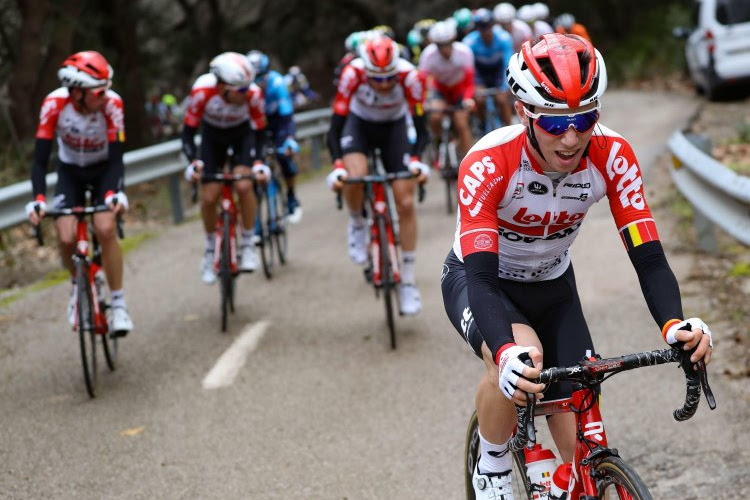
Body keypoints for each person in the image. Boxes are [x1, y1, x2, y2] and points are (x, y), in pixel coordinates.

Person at [440, 34, 713, 498]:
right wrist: (504, 351)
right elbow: (483, 278)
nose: (571, 138)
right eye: (554, 124)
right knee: (523, 361)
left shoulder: (613, 155)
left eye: (585, 119)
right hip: (481, 279)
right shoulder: (489, 161)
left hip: (553, 285)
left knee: (585, 445)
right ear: (525, 113)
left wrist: (674, 323)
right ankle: (491, 462)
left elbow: (647, 257)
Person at [25, 50, 133, 335]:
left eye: (107, 89)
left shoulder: (113, 105)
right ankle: (78, 285)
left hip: (103, 171)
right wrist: (37, 198)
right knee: (66, 234)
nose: (105, 96)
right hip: (70, 172)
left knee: (105, 227)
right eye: (99, 92)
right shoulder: (54, 104)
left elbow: (117, 157)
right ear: (77, 93)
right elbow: (39, 159)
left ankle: (119, 304)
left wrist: (112, 193)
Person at [325, 34, 431, 315]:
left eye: (389, 78)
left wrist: (418, 161)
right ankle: (358, 223)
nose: (383, 84)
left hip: (393, 128)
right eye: (376, 78)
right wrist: (337, 165)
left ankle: (407, 280)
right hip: (358, 125)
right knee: (355, 175)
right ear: (365, 70)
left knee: (405, 202)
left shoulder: (410, 77)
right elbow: (334, 128)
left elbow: (422, 128)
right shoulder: (352, 74)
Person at [181, 51, 269, 284]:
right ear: (222, 87)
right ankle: (210, 249)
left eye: (247, 88)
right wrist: (193, 162)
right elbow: (188, 133)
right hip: (213, 138)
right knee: (209, 197)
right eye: (240, 90)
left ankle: (249, 242)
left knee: (243, 184)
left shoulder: (253, 94)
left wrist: (258, 162)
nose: (246, 93)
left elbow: (260, 132)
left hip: (242, 136)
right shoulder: (202, 91)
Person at [247, 50, 303, 223]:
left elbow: (287, 117)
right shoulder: (245, 88)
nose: (259, 82)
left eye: (262, 77)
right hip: (256, 127)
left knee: (284, 157)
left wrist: (289, 139)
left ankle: (292, 196)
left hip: (278, 123)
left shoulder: (277, 83)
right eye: (255, 78)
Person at [419, 20, 476, 161]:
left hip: (459, 89)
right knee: (435, 116)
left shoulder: (464, 52)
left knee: (461, 123)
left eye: (448, 44)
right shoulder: (428, 55)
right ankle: (438, 142)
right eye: (440, 46)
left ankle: (469, 160)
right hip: (441, 90)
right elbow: (422, 81)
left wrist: (468, 98)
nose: (445, 50)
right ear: (435, 45)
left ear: (453, 41)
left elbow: (470, 81)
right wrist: (424, 100)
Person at [462, 8, 514, 127]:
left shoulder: (504, 38)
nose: (486, 30)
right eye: (482, 27)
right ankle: (482, 124)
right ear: (477, 28)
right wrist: (473, 87)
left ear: (493, 25)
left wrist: (506, 85)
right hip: (480, 74)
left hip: (498, 72)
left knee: (502, 99)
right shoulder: (469, 42)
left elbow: (508, 63)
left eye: (488, 26)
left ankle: (510, 128)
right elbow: (469, 69)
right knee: (479, 100)